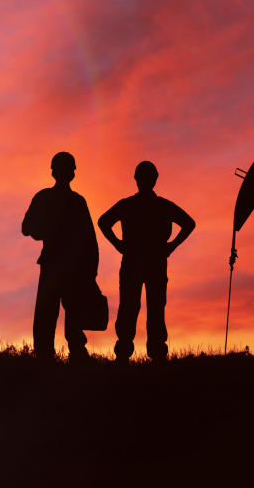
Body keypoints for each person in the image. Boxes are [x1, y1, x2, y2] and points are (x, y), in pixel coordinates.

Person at [96, 160, 195, 363]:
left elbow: (189, 223)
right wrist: (171, 246)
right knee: (143, 307)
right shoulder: (157, 206)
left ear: (138, 180)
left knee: (142, 306)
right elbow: (103, 221)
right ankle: (142, 353)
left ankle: (136, 353)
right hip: (145, 261)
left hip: (145, 261)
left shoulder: (135, 205)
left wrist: (118, 244)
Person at [21, 152, 99, 360]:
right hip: (61, 263)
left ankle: (65, 353)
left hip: (68, 265)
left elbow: (89, 239)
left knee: (69, 310)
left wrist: (91, 269)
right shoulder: (61, 199)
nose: (71, 172)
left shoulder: (69, 201)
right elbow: (27, 228)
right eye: (69, 168)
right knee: (57, 310)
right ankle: (56, 354)